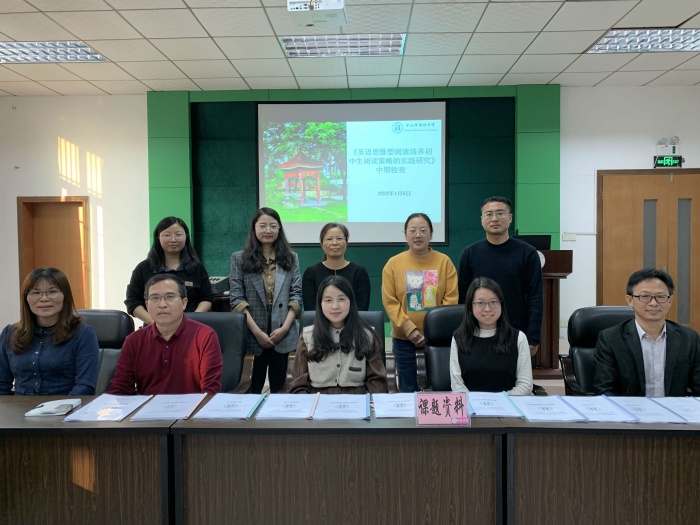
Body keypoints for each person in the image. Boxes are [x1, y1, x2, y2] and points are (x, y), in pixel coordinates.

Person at [457, 196, 543, 360]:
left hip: (517, 332)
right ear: (482, 220)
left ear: (510, 218)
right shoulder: (469, 254)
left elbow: (535, 296)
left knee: (516, 375)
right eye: (489, 214)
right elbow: (463, 297)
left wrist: (533, 337)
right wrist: (466, 331)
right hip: (478, 333)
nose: (494, 219)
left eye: (500, 213)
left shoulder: (528, 253)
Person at [109, 274, 223, 395]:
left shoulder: (205, 336)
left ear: (184, 303)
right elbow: (120, 389)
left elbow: (210, 391)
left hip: (193, 406)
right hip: (148, 406)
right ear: (147, 305)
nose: (162, 304)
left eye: (170, 297)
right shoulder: (134, 340)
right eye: (155, 298)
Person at [594, 268, 700, 397]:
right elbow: (605, 389)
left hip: (674, 409)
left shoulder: (689, 339)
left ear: (670, 301)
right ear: (630, 300)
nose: (653, 303)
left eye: (660, 297)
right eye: (644, 297)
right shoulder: (611, 339)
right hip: (629, 408)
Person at [382, 212, 458, 392]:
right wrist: (409, 329)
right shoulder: (393, 264)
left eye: (423, 230)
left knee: (441, 387)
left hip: (438, 339)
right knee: (407, 389)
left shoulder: (444, 262)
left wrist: (433, 330)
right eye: (413, 231)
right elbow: (390, 301)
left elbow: (451, 299)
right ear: (405, 235)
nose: (418, 235)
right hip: (403, 338)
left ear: (431, 234)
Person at [230, 207, 302, 394]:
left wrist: (284, 328)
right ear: (254, 228)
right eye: (262, 226)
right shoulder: (239, 258)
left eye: (273, 226)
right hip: (252, 332)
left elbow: (296, 295)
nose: (268, 230)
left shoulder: (291, 258)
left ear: (279, 229)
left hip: (283, 332)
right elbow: (236, 298)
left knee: (281, 390)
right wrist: (257, 332)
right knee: (251, 390)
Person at [0, 267, 99, 395]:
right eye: (36, 292)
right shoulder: (10, 333)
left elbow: (85, 387)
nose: (44, 298)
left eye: (52, 292)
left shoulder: (82, 334)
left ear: (65, 296)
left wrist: (63, 407)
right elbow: (1, 385)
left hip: (66, 406)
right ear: (26, 298)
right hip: (20, 407)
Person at [290, 275, 388, 394]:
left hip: (357, 400)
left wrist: (368, 403)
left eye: (341, 299)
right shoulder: (307, 336)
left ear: (351, 301)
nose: (335, 306)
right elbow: (298, 385)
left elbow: (377, 383)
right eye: (328, 300)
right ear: (320, 304)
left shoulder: (367, 336)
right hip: (318, 401)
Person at [450, 277, 532, 395]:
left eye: (493, 302)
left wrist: (499, 401)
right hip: (471, 405)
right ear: (470, 306)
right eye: (480, 303)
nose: (487, 309)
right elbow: (457, 386)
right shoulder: (459, 339)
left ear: (501, 304)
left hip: (509, 404)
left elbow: (525, 385)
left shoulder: (518, 338)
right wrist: (476, 403)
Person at [125, 216, 214, 325]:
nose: (173, 239)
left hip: (190, 327)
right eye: (167, 235)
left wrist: (191, 322)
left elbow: (207, 298)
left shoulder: (197, 268)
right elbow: (133, 302)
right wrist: (154, 323)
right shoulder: (143, 268)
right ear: (158, 237)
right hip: (154, 327)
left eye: (178, 235)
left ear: (186, 237)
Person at [302, 223, 371, 311]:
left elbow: (362, 309)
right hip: (319, 320)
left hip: (353, 320)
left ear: (346, 242)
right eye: (329, 239)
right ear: (322, 244)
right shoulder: (311, 273)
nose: (334, 243)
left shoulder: (359, 272)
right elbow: (310, 310)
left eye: (339, 238)